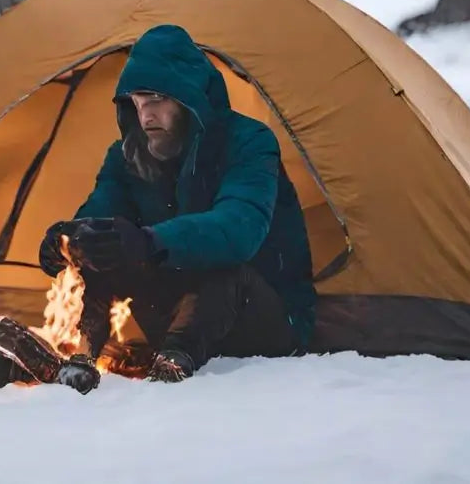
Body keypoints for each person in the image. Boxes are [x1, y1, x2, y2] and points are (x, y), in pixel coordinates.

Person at [39, 23, 316, 383]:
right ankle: (80, 357)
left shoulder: (250, 142)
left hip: (263, 317)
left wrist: (150, 242)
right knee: (102, 252)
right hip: (176, 310)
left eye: (156, 100)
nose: (145, 115)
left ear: (189, 99)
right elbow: (101, 214)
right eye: (137, 102)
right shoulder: (127, 156)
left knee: (223, 265)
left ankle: (173, 361)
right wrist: (67, 242)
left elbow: (238, 228)